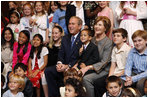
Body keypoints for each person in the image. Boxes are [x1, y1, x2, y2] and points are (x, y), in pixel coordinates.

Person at [44, 16, 82, 97]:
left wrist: (68, 66)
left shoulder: (83, 37)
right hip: (63, 65)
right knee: (48, 71)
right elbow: (61, 53)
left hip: (74, 66)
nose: (70, 26)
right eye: (69, 24)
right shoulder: (65, 38)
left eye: (73, 24)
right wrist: (59, 63)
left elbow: (81, 57)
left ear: (79, 26)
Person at [82, 16, 113, 97]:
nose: (96, 27)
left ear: (105, 28)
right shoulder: (92, 39)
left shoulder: (108, 43)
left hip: (103, 70)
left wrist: (88, 67)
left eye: (100, 25)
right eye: (96, 24)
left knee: (86, 79)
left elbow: (105, 62)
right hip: (90, 66)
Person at [123, 30, 147, 94]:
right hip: (134, 73)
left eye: (140, 40)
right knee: (121, 81)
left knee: (140, 84)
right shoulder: (132, 51)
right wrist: (128, 77)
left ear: (146, 40)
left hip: (145, 75)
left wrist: (133, 79)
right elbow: (128, 66)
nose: (137, 43)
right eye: (135, 41)